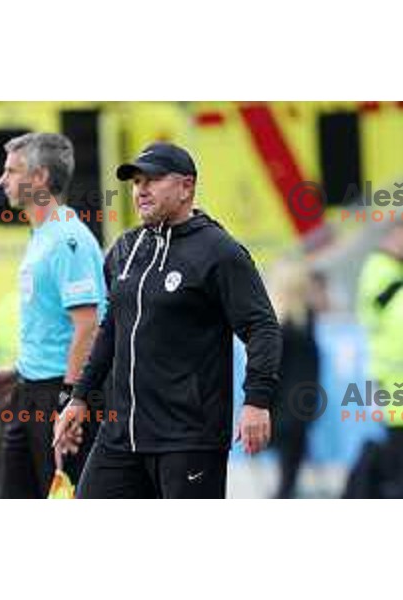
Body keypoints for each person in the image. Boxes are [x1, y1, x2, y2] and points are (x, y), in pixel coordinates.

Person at [54, 142, 283, 499]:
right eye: (136, 182)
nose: (141, 190)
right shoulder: (125, 249)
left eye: (153, 179)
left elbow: (262, 328)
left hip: (188, 438)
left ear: (186, 187)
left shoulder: (219, 251)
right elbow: (110, 330)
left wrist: (257, 401)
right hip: (121, 437)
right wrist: (80, 397)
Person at [0, 133, 106, 499]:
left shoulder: (69, 239)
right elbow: (53, 326)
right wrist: (19, 370)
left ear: (40, 178)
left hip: (57, 397)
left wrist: (69, 400)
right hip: (29, 392)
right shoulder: (41, 236)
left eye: (12, 171)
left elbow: (88, 327)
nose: (2, 180)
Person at [345, 224, 403, 497]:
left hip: (390, 379)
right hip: (392, 382)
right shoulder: (381, 269)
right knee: (396, 458)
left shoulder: (388, 270)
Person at [270, 260, 320, 498]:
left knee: (289, 472)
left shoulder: (299, 319)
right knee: (289, 474)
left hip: (291, 403)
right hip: (290, 405)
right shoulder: (291, 323)